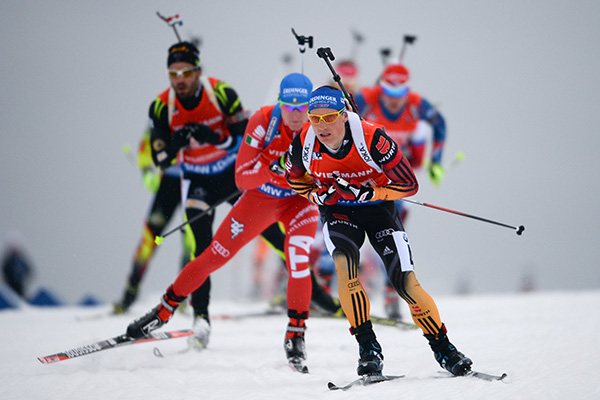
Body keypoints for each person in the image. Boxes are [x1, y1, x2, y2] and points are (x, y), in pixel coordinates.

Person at [131, 43, 339, 350]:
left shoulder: (321, 125)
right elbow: (242, 177)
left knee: (296, 257)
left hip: (299, 204)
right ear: (279, 103)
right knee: (212, 255)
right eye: (289, 106)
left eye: (303, 107)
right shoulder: (263, 121)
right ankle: (163, 309)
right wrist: (273, 168)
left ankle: (296, 333)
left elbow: (338, 167)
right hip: (261, 199)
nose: (296, 115)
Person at [285, 86, 472, 377]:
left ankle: (444, 349)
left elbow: (409, 185)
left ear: (345, 116)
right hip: (338, 212)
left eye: (330, 117)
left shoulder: (373, 139)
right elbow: (295, 180)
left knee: (404, 282)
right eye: (314, 118)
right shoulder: (303, 145)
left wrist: (372, 194)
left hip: (378, 211)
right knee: (346, 270)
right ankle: (368, 349)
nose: (322, 126)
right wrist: (317, 196)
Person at [353, 63, 448, 319]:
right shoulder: (366, 99)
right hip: (361, 178)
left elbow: (440, 124)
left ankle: (390, 293)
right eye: (389, 95)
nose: (394, 103)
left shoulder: (416, 105)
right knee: (345, 230)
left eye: (400, 96)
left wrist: (436, 161)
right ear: (381, 89)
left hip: (392, 182)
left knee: (391, 236)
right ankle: (334, 285)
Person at [113, 128, 189, 314]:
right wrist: (147, 171)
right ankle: (129, 294)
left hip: (193, 182)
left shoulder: (201, 105)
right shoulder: (166, 108)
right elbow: (148, 141)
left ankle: (187, 296)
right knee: (149, 240)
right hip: (168, 186)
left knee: (191, 241)